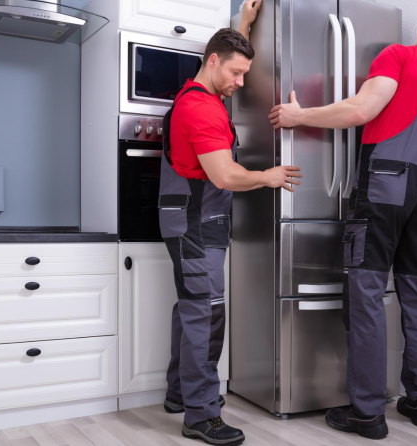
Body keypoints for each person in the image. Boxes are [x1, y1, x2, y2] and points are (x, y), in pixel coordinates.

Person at [268, 19, 417, 439]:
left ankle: (366, 412)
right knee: (415, 292)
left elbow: (361, 111)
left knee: (365, 293)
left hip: (383, 184)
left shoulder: (400, 55)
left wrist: (299, 114)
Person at [159, 2, 301, 445]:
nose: (240, 84)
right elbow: (224, 175)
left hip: (195, 220)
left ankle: (180, 393)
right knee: (207, 315)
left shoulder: (202, 93)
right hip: (197, 225)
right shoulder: (201, 110)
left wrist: (243, 24)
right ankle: (202, 416)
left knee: (192, 309)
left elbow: (228, 57)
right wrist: (268, 177)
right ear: (213, 61)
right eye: (236, 74)